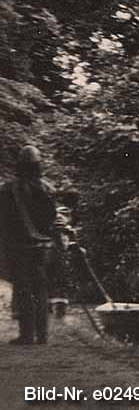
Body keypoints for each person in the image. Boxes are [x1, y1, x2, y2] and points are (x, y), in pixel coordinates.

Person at [0, 146, 60, 345]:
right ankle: (42, 335)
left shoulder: (8, 189)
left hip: (19, 247)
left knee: (23, 288)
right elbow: (53, 219)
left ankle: (27, 335)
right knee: (40, 289)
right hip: (42, 247)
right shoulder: (48, 188)